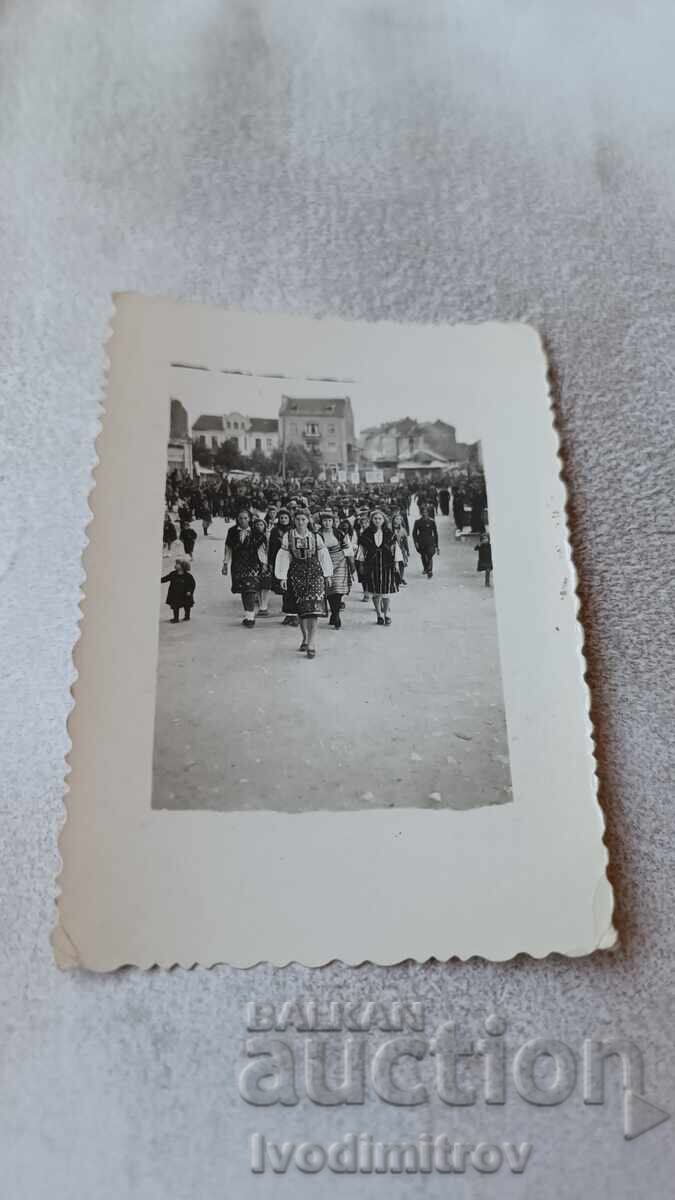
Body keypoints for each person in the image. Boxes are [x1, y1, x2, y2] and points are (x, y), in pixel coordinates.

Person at [274, 509, 333, 659]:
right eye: (298, 519)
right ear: (294, 520)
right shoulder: (289, 536)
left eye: (303, 519)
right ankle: (305, 637)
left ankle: (311, 643)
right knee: (301, 609)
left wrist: (327, 575)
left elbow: (323, 555)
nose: (300, 522)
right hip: (296, 573)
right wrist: (282, 577)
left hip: (315, 573)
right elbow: (284, 556)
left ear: (308, 520)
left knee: (313, 608)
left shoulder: (315, 536)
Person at [356, 508, 401, 626]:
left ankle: (386, 614)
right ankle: (379, 615)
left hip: (387, 565)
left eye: (380, 518)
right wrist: (361, 564)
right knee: (375, 592)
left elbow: (395, 549)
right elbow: (361, 550)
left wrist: (396, 563)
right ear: (371, 520)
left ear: (383, 520)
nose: (377, 520)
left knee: (386, 592)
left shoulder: (389, 533)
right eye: (375, 518)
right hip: (372, 565)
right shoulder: (366, 534)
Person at [222, 509, 266, 627]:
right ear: (237, 519)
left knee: (250, 589)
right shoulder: (232, 531)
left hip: (253, 564)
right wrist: (225, 563)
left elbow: (261, 550)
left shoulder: (256, 532)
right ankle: (248, 616)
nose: (243, 521)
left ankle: (251, 618)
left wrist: (264, 564)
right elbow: (228, 548)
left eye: (245, 518)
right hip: (238, 564)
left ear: (250, 519)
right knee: (243, 589)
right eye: (240, 518)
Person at [319, 510, 353, 629]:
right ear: (321, 522)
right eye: (325, 521)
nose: (327, 523)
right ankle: (334, 612)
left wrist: (352, 564)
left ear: (333, 522)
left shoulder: (339, 533)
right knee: (329, 589)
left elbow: (348, 548)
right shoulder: (317, 534)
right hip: (324, 562)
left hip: (340, 562)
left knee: (338, 589)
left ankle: (336, 614)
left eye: (329, 521)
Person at [252, 515, 273, 616]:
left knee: (266, 585)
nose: (259, 526)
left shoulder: (267, 537)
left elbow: (269, 550)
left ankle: (264, 606)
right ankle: (261, 606)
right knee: (258, 585)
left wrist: (268, 563)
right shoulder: (252, 537)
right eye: (257, 525)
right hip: (255, 562)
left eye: (261, 525)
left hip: (266, 562)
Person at [412, 504, 439, 577]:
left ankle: (429, 570)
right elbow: (414, 533)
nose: (424, 514)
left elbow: (435, 533)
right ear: (421, 513)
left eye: (426, 512)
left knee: (430, 554)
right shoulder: (417, 522)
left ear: (428, 513)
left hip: (430, 541)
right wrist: (416, 542)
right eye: (423, 512)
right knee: (423, 555)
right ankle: (426, 568)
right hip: (421, 541)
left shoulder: (432, 522)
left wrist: (436, 544)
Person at [391, 513, 410, 585]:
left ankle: (400, 578)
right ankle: (396, 579)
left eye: (400, 519)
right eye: (397, 519)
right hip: (392, 549)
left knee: (402, 564)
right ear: (393, 520)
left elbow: (405, 541)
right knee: (393, 564)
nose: (398, 521)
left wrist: (407, 550)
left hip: (401, 549)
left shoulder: (403, 530)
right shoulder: (389, 529)